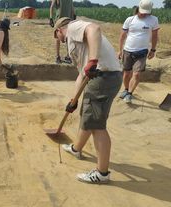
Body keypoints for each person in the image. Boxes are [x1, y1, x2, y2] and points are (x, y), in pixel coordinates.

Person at [53, 17, 122, 183]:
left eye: (57, 37)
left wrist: (92, 60)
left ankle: (102, 173)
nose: (59, 40)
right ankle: (77, 148)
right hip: (100, 78)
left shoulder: (73, 27)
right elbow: (81, 75)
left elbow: (94, 28)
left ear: (58, 30)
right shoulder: (76, 41)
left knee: (97, 125)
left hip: (103, 77)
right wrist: (74, 100)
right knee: (88, 116)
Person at [118, 0, 159, 103]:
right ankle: (126, 90)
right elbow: (122, 36)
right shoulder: (130, 20)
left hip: (142, 52)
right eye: (142, 11)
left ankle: (130, 94)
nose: (144, 13)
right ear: (138, 8)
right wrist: (120, 50)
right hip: (128, 50)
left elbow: (154, 36)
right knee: (127, 73)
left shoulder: (153, 20)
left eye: (146, 12)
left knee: (136, 74)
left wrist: (153, 50)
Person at [49, 0, 76, 64]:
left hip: (68, 19)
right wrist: (51, 18)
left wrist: (74, 15)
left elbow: (72, 7)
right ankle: (58, 56)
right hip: (60, 20)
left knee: (68, 38)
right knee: (58, 38)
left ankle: (68, 56)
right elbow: (51, 7)